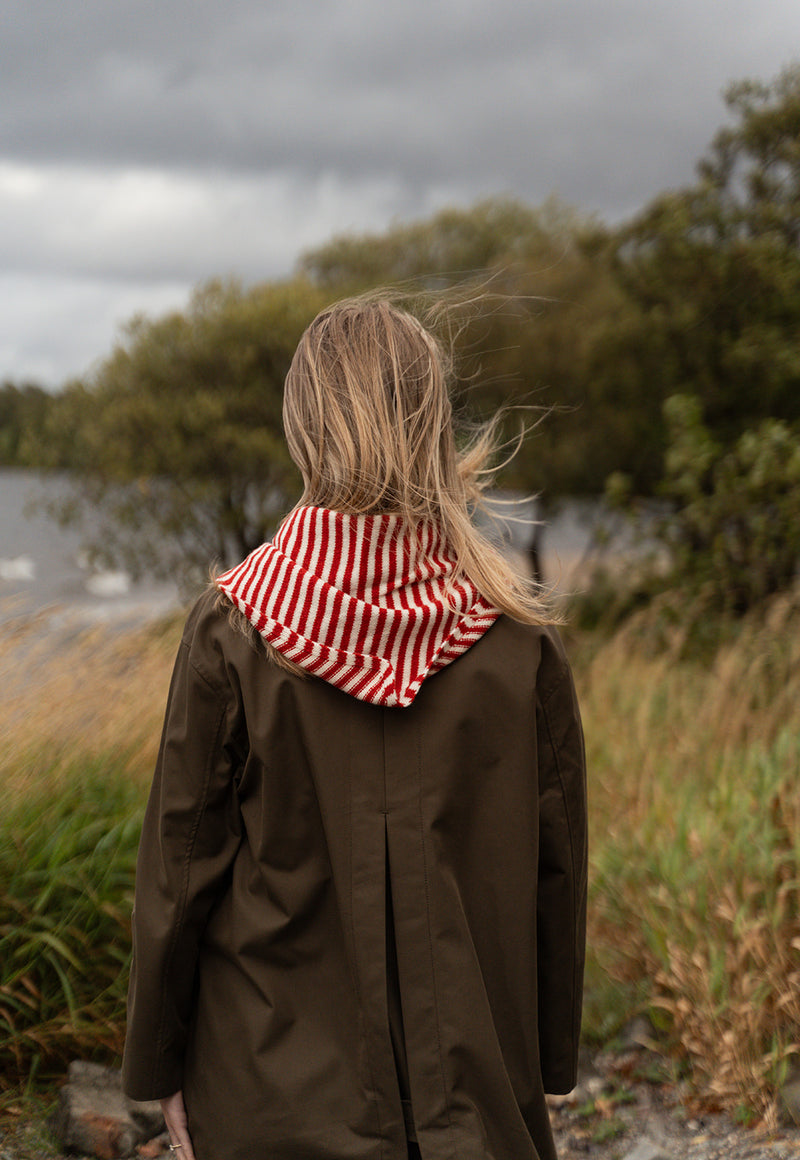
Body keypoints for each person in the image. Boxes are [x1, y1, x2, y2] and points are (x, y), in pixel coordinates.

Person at [121, 297, 587, 1160]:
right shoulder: (518, 638)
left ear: (304, 427)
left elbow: (180, 873)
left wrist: (156, 1068)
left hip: (265, 1093)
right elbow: (555, 870)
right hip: (475, 1097)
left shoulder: (236, 626)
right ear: (433, 426)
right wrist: (546, 1061)